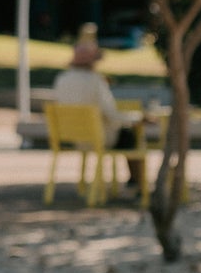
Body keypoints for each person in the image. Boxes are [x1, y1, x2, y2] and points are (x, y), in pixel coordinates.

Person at [52, 24, 145, 191]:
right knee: (131, 136)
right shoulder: (96, 81)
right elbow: (112, 115)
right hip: (99, 137)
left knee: (124, 133)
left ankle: (133, 183)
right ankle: (138, 184)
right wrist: (138, 118)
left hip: (73, 138)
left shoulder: (61, 79)